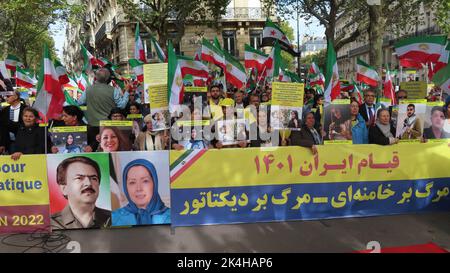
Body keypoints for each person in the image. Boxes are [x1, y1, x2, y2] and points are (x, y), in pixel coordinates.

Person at [51, 156, 111, 229]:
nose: (88, 183)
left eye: (93, 178)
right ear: (64, 188)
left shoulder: (114, 218)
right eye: (79, 178)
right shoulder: (50, 223)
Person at [112, 159, 170, 225]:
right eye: (132, 182)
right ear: (126, 187)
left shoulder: (173, 216)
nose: (139, 188)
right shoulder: (114, 218)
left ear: (154, 183)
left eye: (145, 181)